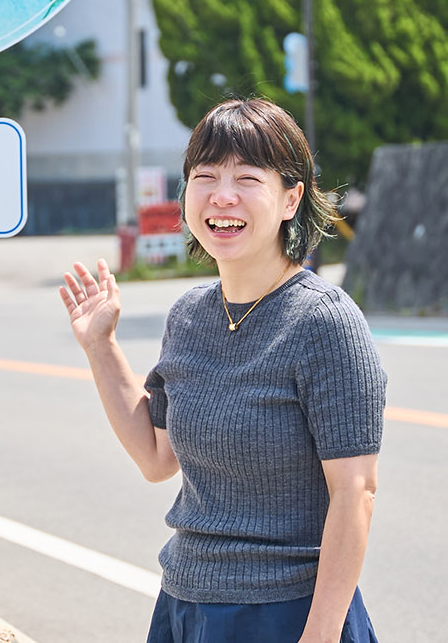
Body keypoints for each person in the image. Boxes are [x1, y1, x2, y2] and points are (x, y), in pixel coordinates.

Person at [61, 97, 385, 643]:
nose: (222, 195)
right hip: (186, 605)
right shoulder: (190, 315)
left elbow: (356, 492)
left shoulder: (324, 322)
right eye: (204, 176)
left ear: (291, 198)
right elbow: (156, 457)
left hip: (285, 613)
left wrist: (321, 635)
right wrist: (101, 345)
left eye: (248, 178)